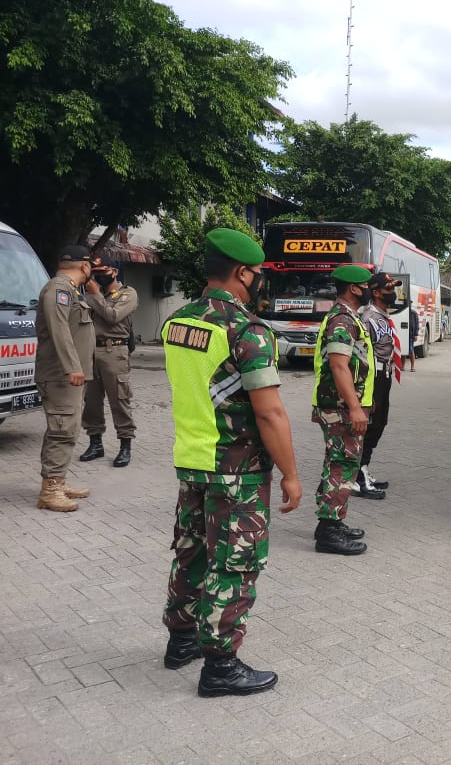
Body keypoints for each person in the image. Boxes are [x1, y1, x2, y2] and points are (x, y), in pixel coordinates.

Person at [160, 228, 302, 698]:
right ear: (243, 273)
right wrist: (292, 473)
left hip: (191, 458)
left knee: (191, 550)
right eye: (258, 275)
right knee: (235, 563)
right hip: (235, 467)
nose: (259, 282)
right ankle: (220, 665)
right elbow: (270, 411)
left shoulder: (178, 321)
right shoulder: (245, 330)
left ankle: (181, 640)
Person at [311, 263, 378, 556]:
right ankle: (328, 532)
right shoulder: (342, 321)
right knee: (341, 464)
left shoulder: (348, 318)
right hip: (340, 408)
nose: (370, 291)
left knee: (341, 463)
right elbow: (339, 365)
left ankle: (333, 522)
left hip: (341, 406)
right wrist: (354, 408)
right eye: (367, 286)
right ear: (354, 288)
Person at [33, 245, 96, 512]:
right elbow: (60, 330)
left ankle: (57, 480)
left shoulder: (69, 290)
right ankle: (51, 492)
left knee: (64, 428)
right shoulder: (59, 289)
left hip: (68, 377)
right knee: (62, 429)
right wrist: (72, 366)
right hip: (61, 376)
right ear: (85, 266)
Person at [78, 253, 139, 467]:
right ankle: (96, 443)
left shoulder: (127, 293)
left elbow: (113, 316)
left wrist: (95, 295)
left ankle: (125, 446)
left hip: (115, 351)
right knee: (91, 402)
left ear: (114, 271)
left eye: (103, 272)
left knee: (119, 400)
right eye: (95, 274)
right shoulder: (90, 294)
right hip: (90, 351)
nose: (99, 277)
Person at [357, 271, 402, 494]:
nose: (392, 293)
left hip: (385, 375)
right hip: (374, 376)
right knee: (372, 423)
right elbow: (364, 354)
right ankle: (358, 473)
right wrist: (368, 389)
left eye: (393, 289)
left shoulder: (382, 317)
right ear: (375, 292)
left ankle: (363, 467)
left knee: (380, 422)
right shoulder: (368, 318)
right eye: (388, 289)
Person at [407, 303, 418, 372]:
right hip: (404, 332)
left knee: (411, 350)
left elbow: (416, 324)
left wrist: (416, 334)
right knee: (403, 349)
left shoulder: (413, 313)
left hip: (411, 333)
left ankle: (412, 366)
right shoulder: (403, 312)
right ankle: (402, 366)